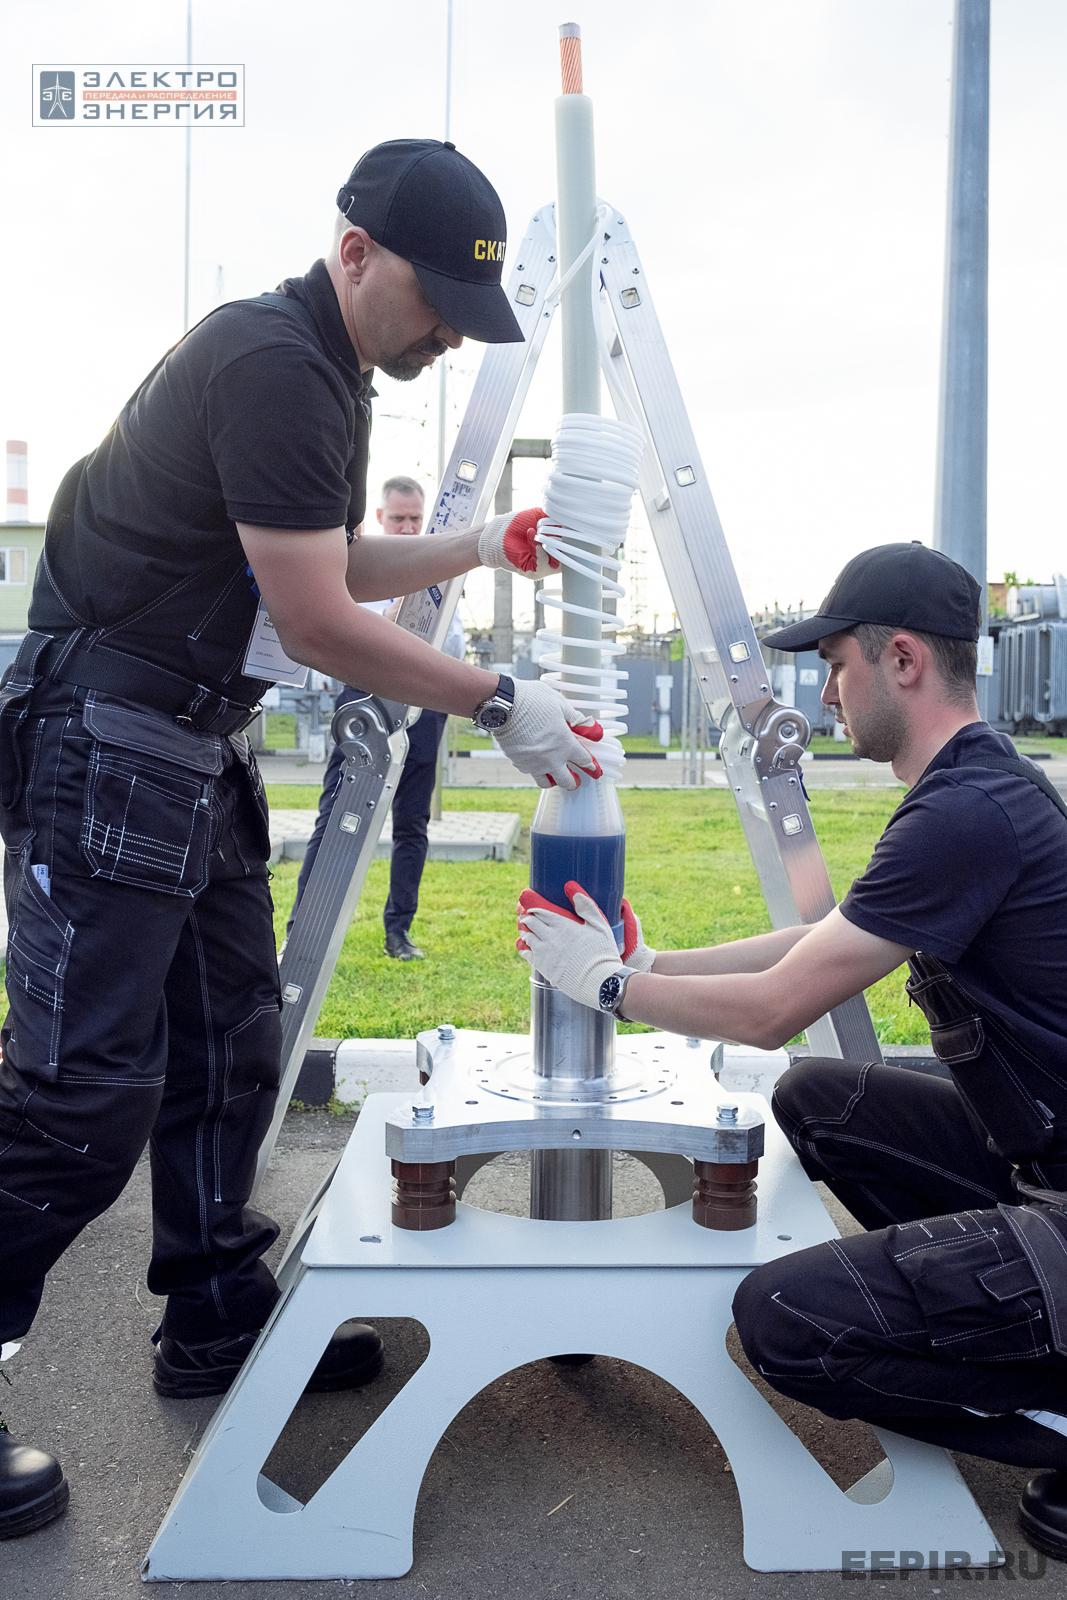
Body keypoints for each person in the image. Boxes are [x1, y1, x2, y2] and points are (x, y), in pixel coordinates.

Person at [0, 137, 605, 1538]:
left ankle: (214, 1314)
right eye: (438, 301)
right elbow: (321, 622)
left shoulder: (324, 375)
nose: (450, 337)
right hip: (113, 743)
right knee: (82, 1101)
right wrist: (495, 698)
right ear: (353, 251)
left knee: (228, 1048)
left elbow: (321, 562)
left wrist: (479, 547)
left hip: (183, 750)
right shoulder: (272, 362)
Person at [518, 541, 1067, 1562]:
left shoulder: (967, 811)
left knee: (782, 1321)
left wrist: (608, 986)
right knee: (821, 1098)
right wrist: (652, 960)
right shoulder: (971, 786)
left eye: (835, 665)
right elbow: (822, 943)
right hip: (1038, 1163)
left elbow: (777, 1007)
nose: (824, 695)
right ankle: (1000, 1314)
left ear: (900, 659)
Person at [290, 475, 465, 960]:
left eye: (415, 519)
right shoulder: (355, 571)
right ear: (382, 518)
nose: (408, 528)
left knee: (412, 822)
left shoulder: (440, 576)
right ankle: (301, 930)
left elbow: (454, 645)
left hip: (425, 706)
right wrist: (391, 625)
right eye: (400, 519)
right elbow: (339, 637)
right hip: (366, 702)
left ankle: (398, 933)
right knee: (335, 817)